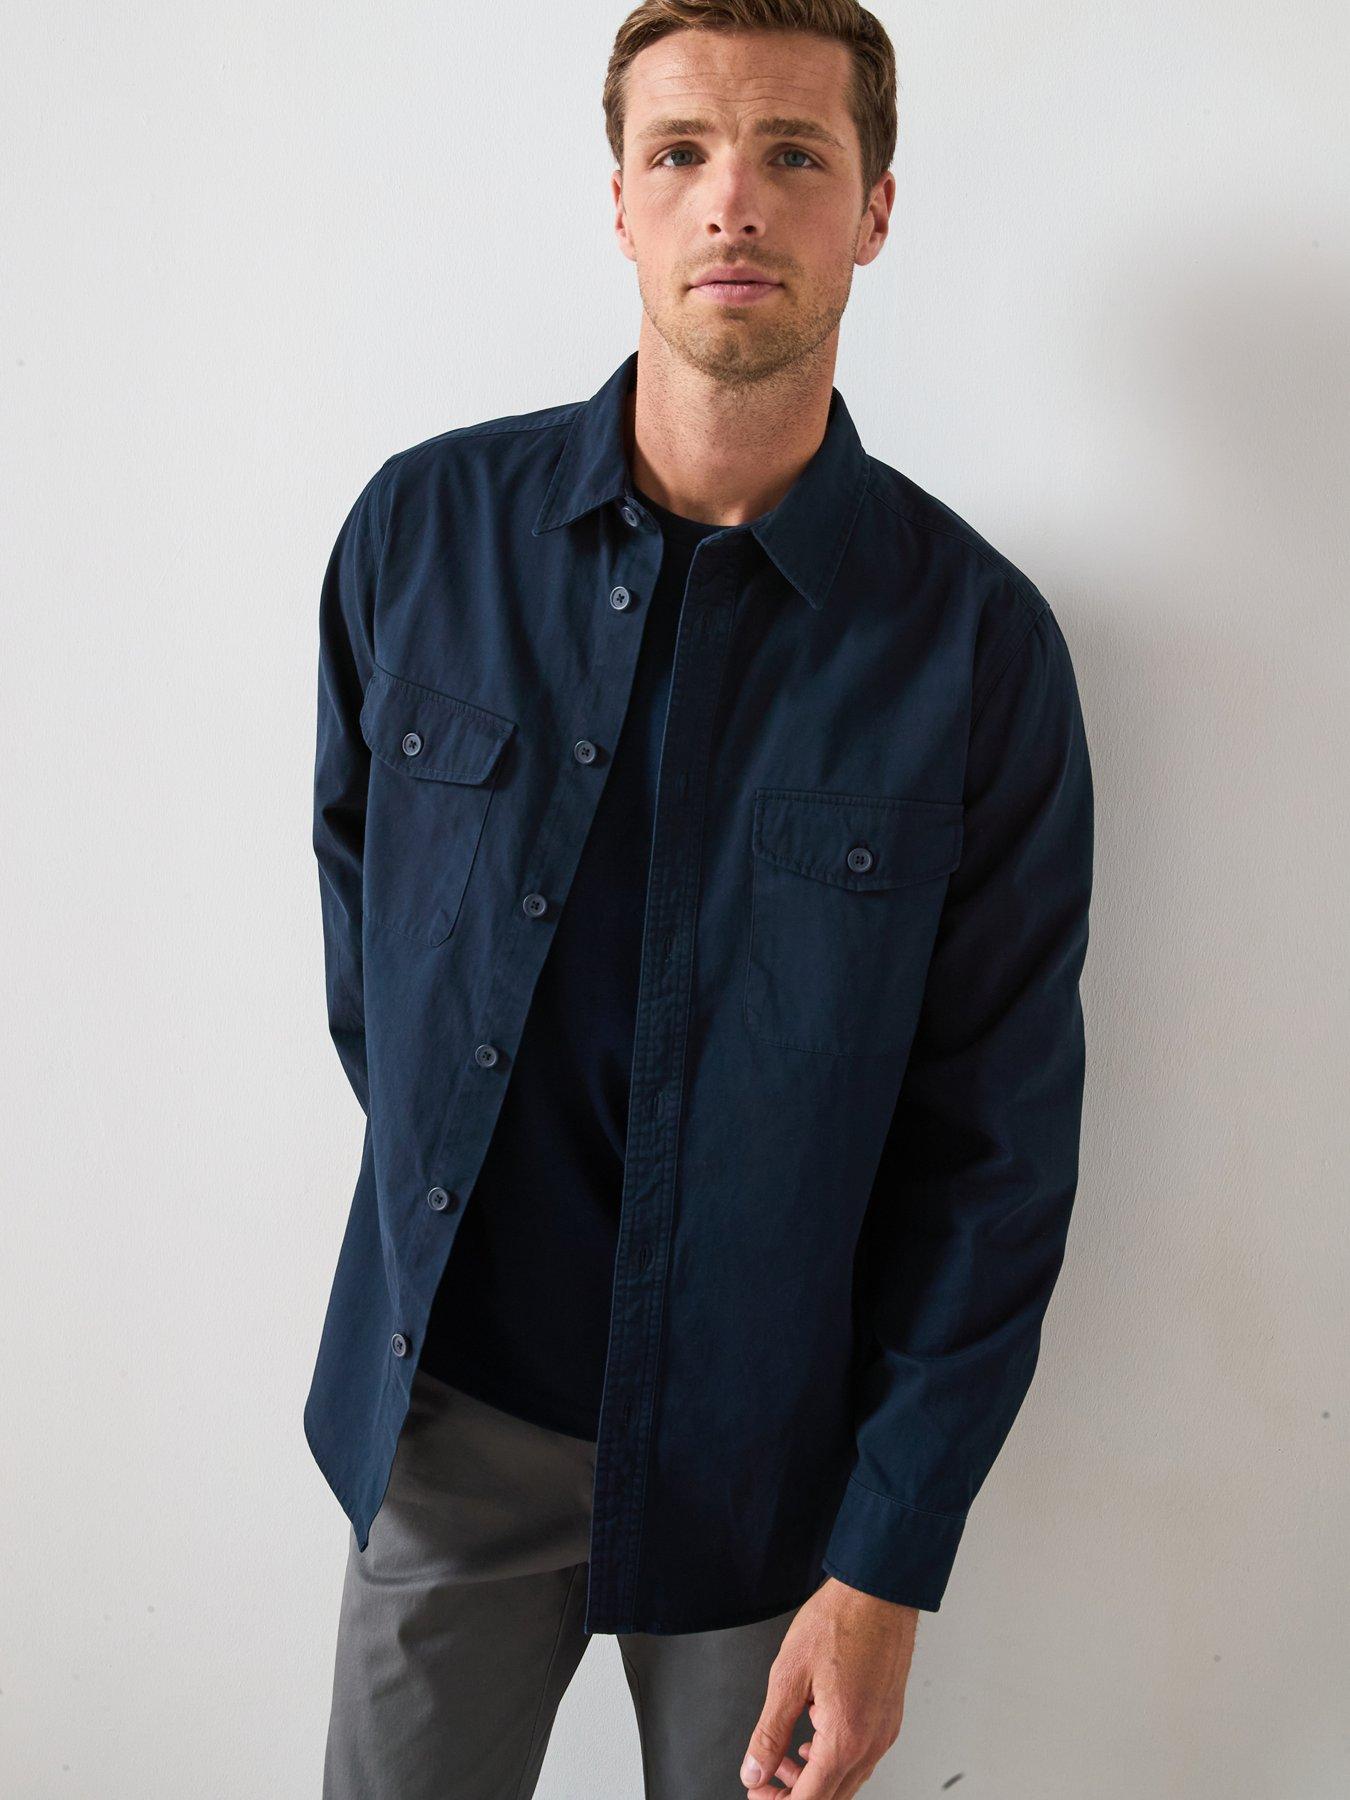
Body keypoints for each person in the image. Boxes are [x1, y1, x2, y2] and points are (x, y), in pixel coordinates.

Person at [307, 4, 1095, 1796]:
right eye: (680, 152)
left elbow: (996, 1148)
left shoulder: (976, 648)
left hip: (769, 1478)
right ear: (620, 201)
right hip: (448, 1428)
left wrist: (886, 1559)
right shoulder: (420, 537)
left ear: (872, 209)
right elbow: (376, 969)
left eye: (792, 153)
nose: (731, 198)